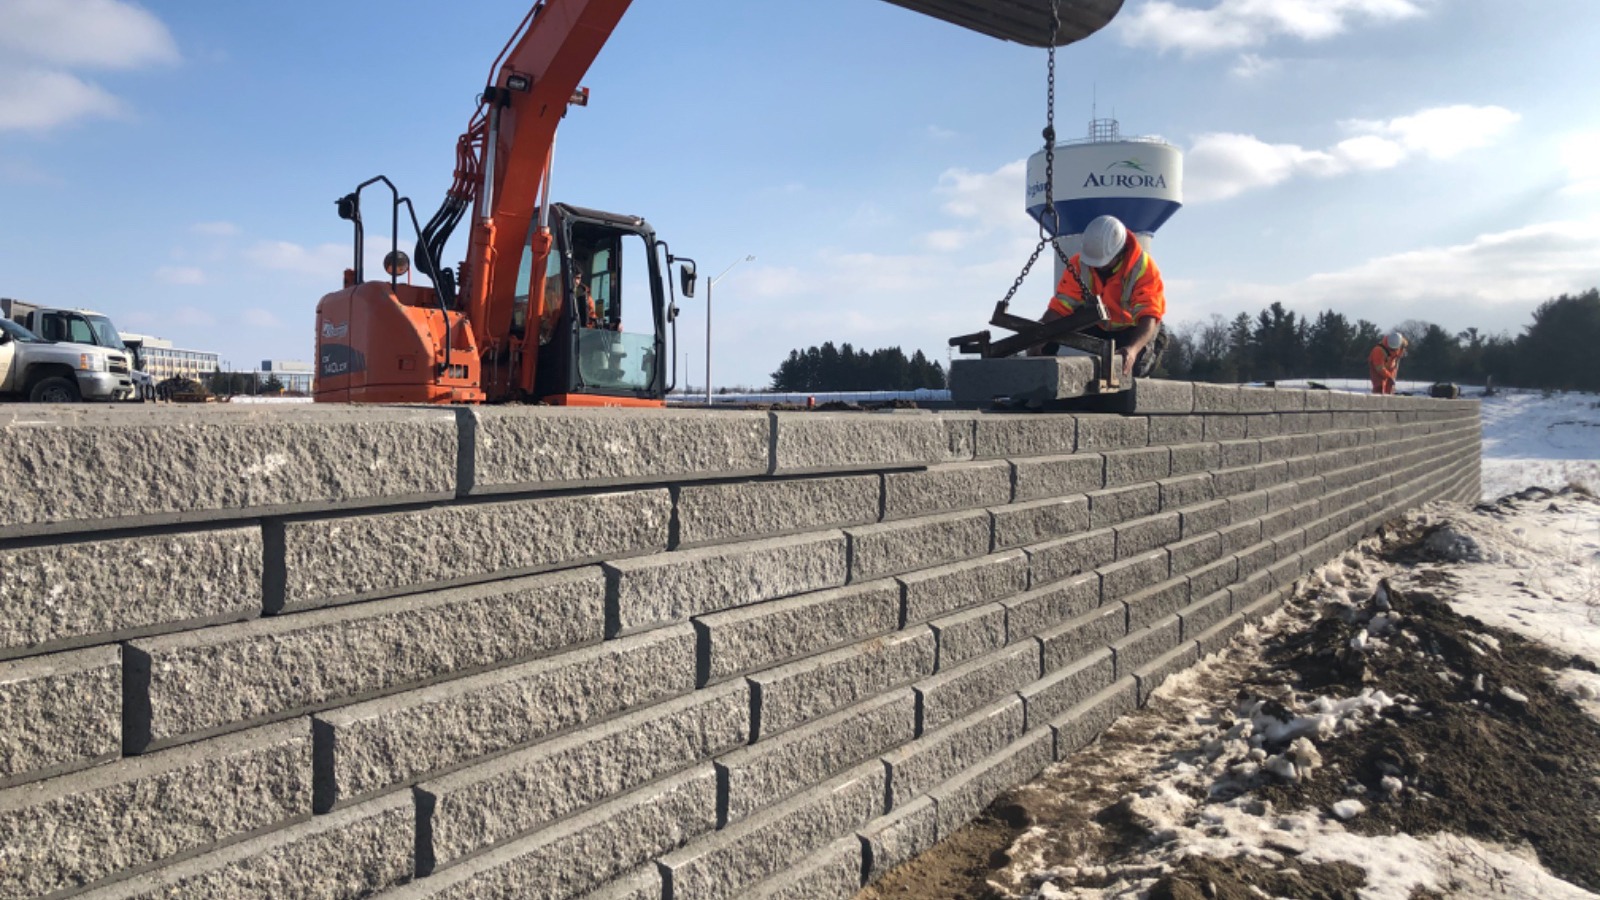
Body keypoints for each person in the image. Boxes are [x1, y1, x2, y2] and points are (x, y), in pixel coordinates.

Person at [1028, 215, 1167, 378]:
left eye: (1104, 263)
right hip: (1099, 325)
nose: (1098, 267)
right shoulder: (1079, 265)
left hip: (1133, 329)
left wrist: (1133, 350)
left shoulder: (1144, 268)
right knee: (1051, 332)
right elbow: (1059, 309)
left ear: (1119, 253)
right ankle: (1042, 387)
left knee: (1132, 367)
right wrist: (1037, 338)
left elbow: (1148, 317)